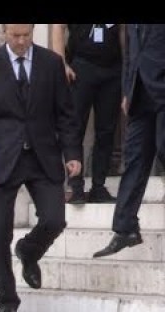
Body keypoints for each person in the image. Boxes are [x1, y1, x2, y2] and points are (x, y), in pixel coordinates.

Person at [0, 24, 82, 312]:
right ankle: (7, 302)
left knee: (55, 219)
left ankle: (28, 251)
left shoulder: (52, 63)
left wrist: (72, 154)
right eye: (15, 35)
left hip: (43, 156)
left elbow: (66, 114)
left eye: (26, 35)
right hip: (3, 160)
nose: (21, 41)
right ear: (4, 32)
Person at [93, 24, 165, 258]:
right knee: (134, 160)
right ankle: (126, 229)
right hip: (140, 94)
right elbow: (130, 51)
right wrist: (127, 89)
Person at [51, 24, 124, 204]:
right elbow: (58, 27)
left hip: (112, 68)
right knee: (75, 127)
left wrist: (126, 66)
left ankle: (99, 186)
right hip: (81, 66)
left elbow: (122, 31)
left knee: (107, 131)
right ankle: (75, 186)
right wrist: (61, 64)